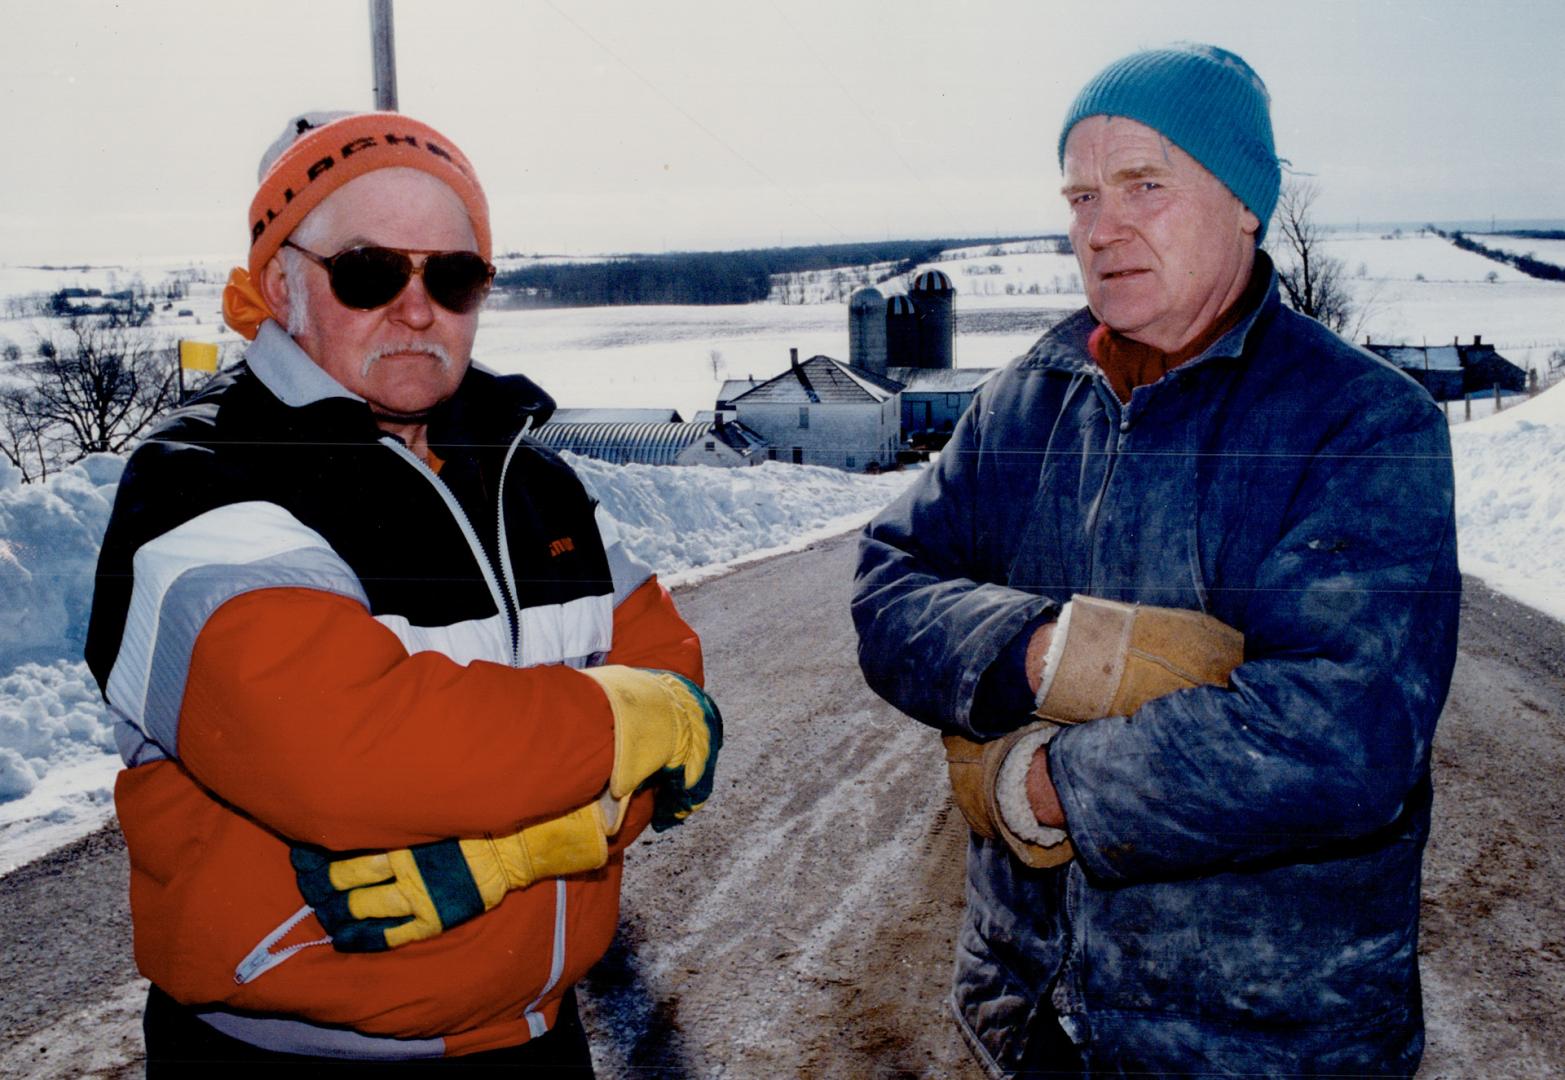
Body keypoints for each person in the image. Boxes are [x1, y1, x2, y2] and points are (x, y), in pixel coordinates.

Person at [852, 44, 1459, 1077]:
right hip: (1030, 1019)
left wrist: (1045, 786)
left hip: (1261, 1038)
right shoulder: (1029, 398)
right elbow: (889, 582)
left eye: (1143, 184)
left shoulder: (1357, 423)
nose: (1100, 227)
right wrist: (1041, 654)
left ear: (1243, 205)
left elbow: (1341, 733)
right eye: (1079, 195)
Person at [86, 111, 721, 1074]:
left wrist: (540, 842)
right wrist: (615, 744)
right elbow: (345, 750)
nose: (418, 309)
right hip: (292, 1057)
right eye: (370, 272)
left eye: (454, 277)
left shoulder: (531, 476)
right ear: (281, 284)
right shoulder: (201, 481)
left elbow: (674, 677)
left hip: (539, 1039)